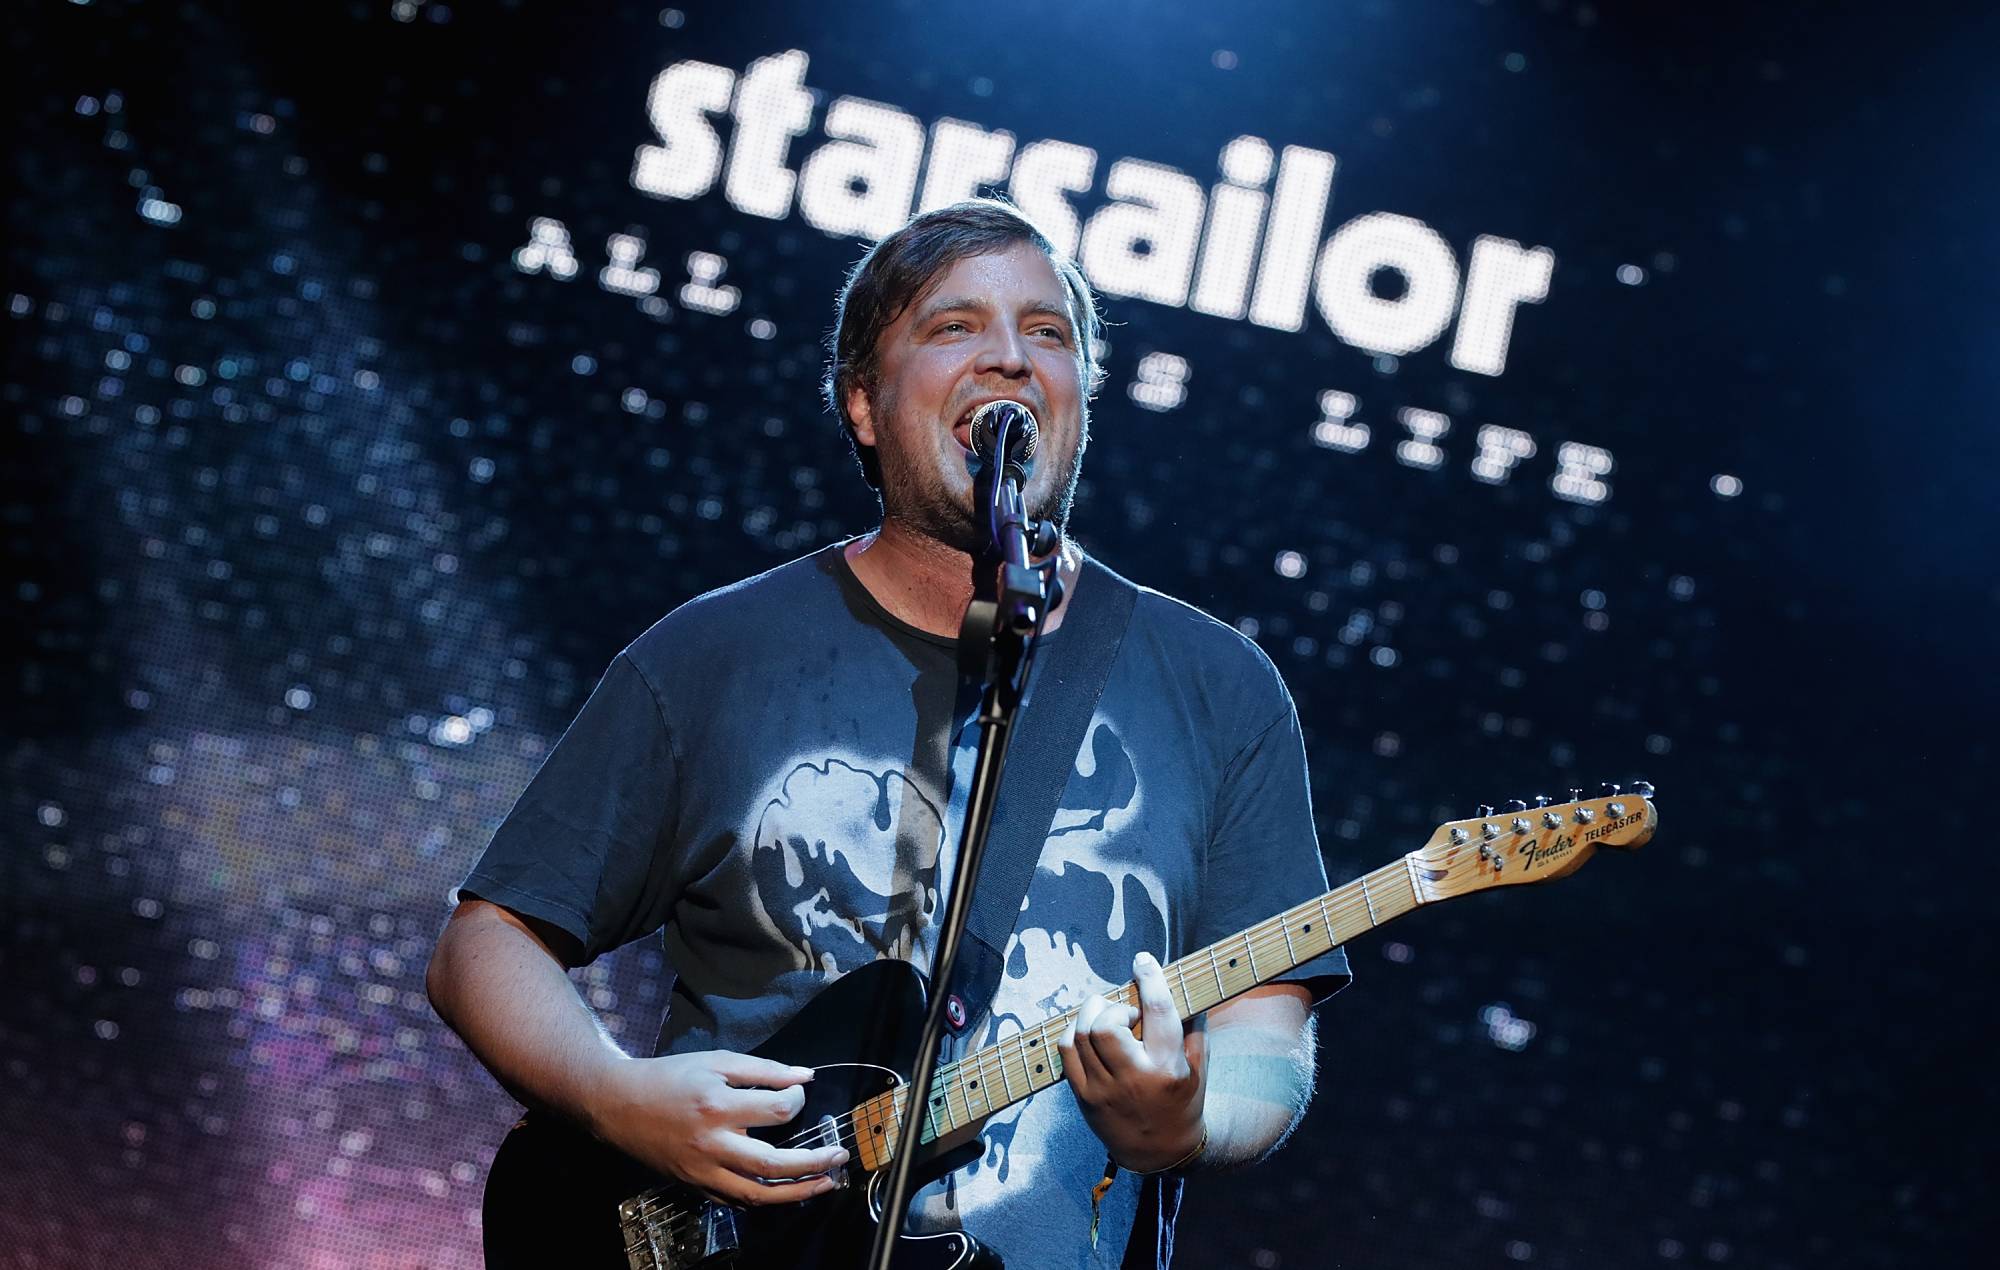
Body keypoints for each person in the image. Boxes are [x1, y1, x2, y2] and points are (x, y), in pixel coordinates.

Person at [426, 197, 1350, 1269]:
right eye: (953, 326)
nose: (1008, 356)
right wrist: (613, 1094)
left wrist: (1187, 1122)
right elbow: (483, 946)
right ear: (862, 402)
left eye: (1046, 333)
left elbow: (1266, 1034)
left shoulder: (1216, 684)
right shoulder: (718, 652)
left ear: (1079, 399)